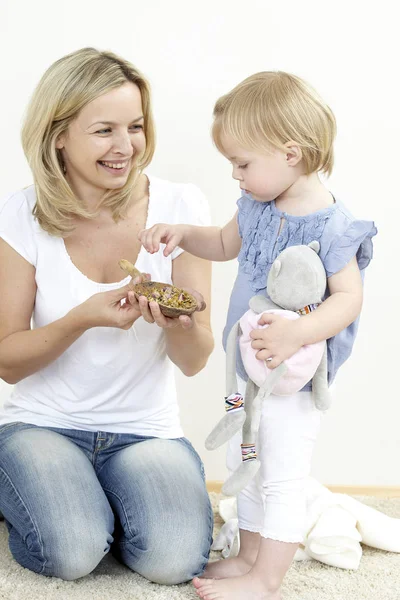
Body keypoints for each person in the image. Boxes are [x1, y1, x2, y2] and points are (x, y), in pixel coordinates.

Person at [139, 71, 377, 600]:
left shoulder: (334, 226)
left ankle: (267, 579)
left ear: (290, 153)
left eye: (242, 164)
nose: (235, 175)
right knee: (245, 459)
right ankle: (248, 555)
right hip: (246, 369)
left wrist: (298, 334)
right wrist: (183, 235)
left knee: (281, 473)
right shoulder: (256, 206)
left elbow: (348, 299)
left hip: (292, 379)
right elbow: (224, 243)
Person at [0, 47, 214, 584]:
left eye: (136, 126)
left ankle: (86, 503)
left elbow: (195, 362)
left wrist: (180, 324)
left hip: (145, 432)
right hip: (42, 427)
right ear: (58, 136)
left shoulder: (181, 209)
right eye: (104, 131)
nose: (126, 148)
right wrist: (81, 318)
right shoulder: (21, 214)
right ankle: (51, 496)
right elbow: (7, 361)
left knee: (172, 562)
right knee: (71, 554)